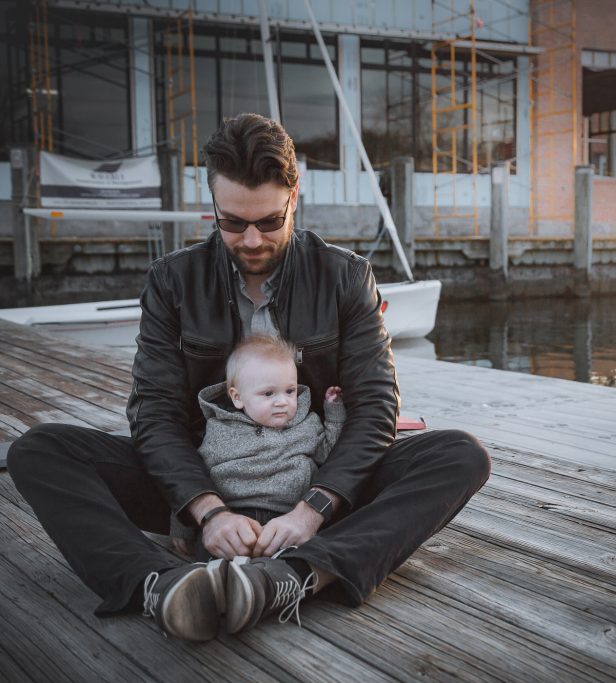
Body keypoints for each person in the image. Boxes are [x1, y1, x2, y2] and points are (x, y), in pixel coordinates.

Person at [7, 112, 491, 642]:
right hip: (207, 476)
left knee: (460, 455)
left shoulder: (345, 276)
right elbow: (154, 414)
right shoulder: (173, 280)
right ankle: (162, 586)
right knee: (40, 449)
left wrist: (314, 509)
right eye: (232, 223)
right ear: (212, 203)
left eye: (269, 221)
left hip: (315, 474)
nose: (253, 239)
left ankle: (294, 576)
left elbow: (375, 407)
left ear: (293, 198)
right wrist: (207, 512)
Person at [168, 334, 346, 561]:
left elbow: (329, 453)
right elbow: (193, 478)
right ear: (238, 398)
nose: (282, 401)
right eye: (268, 393)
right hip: (232, 516)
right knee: (214, 552)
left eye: (289, 391)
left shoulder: (306, 423)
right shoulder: (222, 430)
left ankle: (276, 582)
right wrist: (181, 526)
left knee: (304, 555)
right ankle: (217, 582)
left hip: (290, 517)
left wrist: (334, 414)